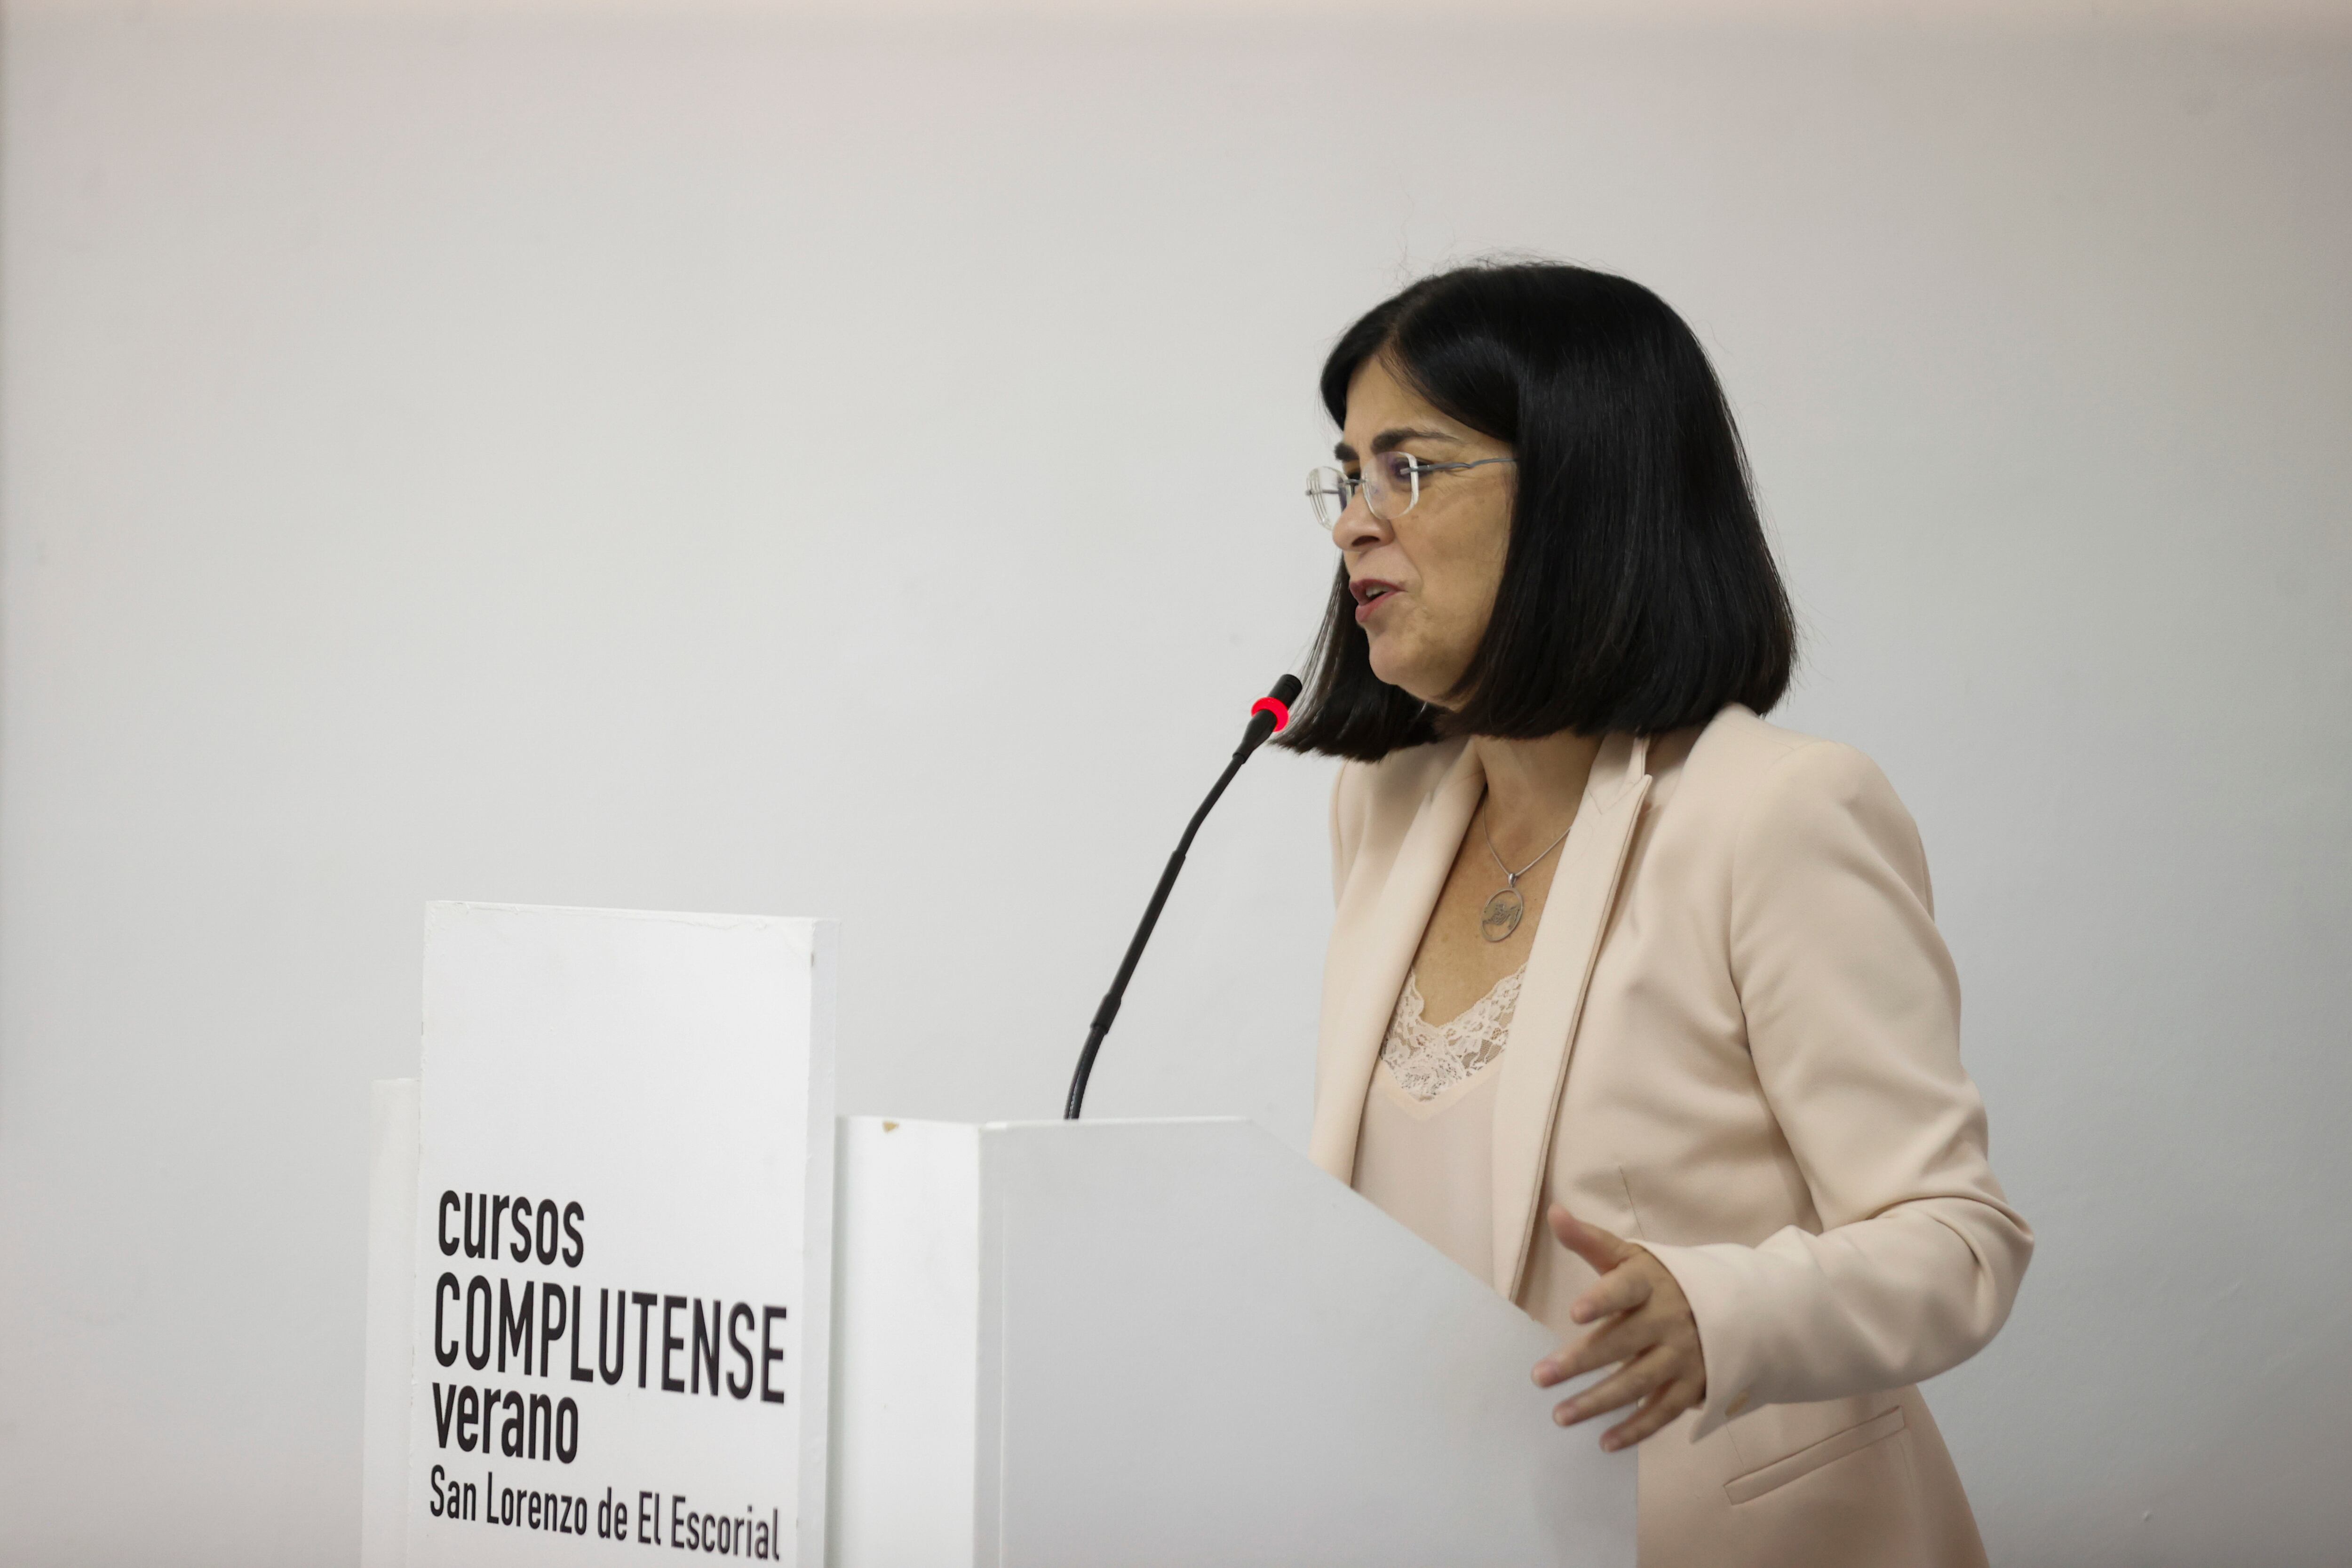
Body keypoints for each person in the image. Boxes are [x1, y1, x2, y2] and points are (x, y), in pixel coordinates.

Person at [1280, 261, 2032, 1566]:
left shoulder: (1776, 812)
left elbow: (1959, 1242)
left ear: (1586, 490)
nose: (1353, 522)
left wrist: (1721, 1307)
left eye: (1406, 468)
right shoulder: (1386, 811)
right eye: (1346, 476)